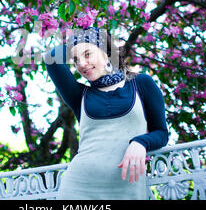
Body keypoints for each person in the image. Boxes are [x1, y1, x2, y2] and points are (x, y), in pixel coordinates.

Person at [43, 27, 168, 200]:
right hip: (77, 189)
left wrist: (140, 143)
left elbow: (161, 133)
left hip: (126, 188)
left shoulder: (141, 83)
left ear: (106, 53)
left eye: (87, 54)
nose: (82, 64)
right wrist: (75, 42)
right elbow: (51, 59)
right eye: (76, 60)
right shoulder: (80, 96)